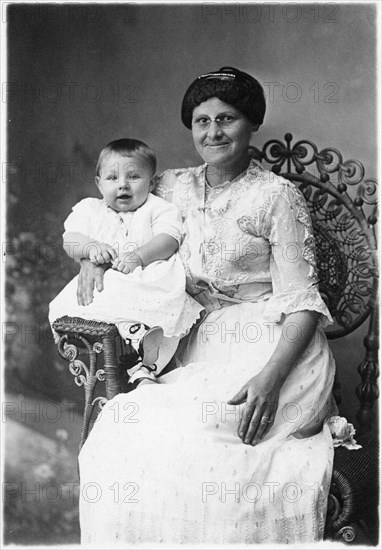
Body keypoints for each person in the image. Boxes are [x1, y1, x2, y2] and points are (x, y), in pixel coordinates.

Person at [78, 67, 336, 545]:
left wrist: (270, 378)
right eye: (202, 120)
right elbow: (115, 219)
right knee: (122, 434)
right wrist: (93, 259)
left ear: (252, 123)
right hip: (198, 344)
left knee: (209, 452)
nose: (213, 132)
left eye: (227, 118)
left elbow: (303, 304)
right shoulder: (172, 186)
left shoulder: (277, 196)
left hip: (274, 348)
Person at [49, 138, 203, 385]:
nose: (123, 185)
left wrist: (139, 257)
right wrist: (90, 248)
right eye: (112, 178)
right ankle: (138, 340)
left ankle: (145, 364)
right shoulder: (90, 210)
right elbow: (70, 240)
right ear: (99, 184)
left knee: (167, 315)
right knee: (93, 297)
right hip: (110, 284)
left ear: (151, 183)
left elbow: (169, 239)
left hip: (149, 278)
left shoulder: (158, 208)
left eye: (133, 177)